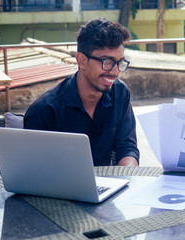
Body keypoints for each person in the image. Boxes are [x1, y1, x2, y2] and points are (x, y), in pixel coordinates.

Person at [24, 18, 139, 167]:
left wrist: (128, 177)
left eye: (120, 62)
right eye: (107, 62)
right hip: (60, 189)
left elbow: (127, 147)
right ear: (81, 61)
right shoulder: (44, 111)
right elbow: (34, 170)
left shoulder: (120, 93)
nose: (116, 71)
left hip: (110, 186)